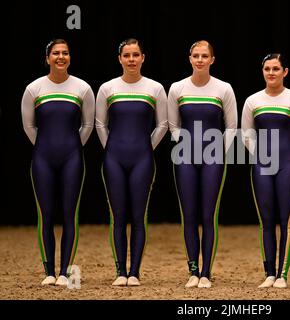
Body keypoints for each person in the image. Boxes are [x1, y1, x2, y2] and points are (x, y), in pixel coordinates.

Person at [21, 39, 95, 286]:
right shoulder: (34, 89)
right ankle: (49, 272)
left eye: (65, 53)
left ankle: (65, 272)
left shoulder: (82, 88)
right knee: (46, 215)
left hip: (72, 158)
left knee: (69, 214)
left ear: (70, 57)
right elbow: (29, 126)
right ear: (47, 58)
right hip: (42, 158)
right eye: (56, 53)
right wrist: (45, 147)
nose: (60, 57)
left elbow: (88, 125)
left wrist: (73, 146)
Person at [96, 38, 168, 286]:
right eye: (127, 55)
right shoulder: (107, 88)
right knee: (118, 215)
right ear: (120, 59)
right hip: (114, 159)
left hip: (142, 159)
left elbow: (163, 124)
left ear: (143, 58)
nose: (131, 59)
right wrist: (111, 148)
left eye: (136, 55)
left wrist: (147, 147)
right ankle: (120, 272)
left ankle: (134, 272)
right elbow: (99, 124)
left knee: (138, 215)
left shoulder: (155, 88)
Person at [168, 40, 237, 288]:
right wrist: (184, 144)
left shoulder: (224, 89)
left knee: (208, 215)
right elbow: (172, 125)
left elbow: (231, 127)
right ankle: (193, 271)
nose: (200, 60)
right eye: (196, 55)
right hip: (185, 158)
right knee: (189, 215)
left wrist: (218, 150)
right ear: (189, 58)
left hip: (213, 160)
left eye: (204, 56)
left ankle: (206, 273)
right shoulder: (177, 88)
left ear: (212, 60)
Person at [241, 54, 290, 288]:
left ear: (285, 72)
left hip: (288, 165)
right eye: (267, 69)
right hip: (262, 164)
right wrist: (259, 155)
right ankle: (269, 273)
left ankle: (282, 274)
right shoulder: (253, 101)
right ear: (262, 71)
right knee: (267, 220)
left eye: (276, 69)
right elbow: (246, 133)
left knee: (286, 220)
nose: (271, 73)